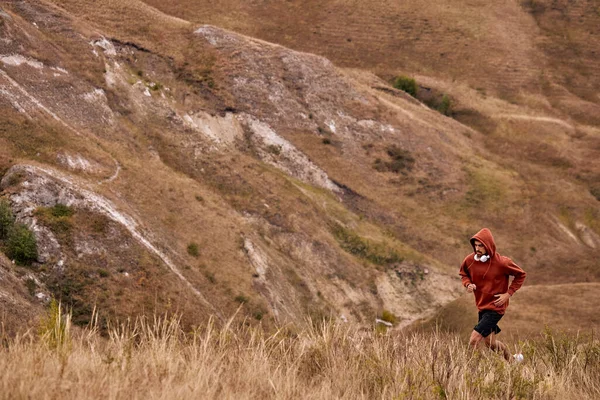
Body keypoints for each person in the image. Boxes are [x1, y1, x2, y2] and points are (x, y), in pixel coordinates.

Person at [459, 228, 526, 361]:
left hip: (496, 307)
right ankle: (513, 361)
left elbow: (521, 275)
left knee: (474, 341)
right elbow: (463, 274)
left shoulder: (502, 262)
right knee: (490, 343)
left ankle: (478, 371)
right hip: (482, 306)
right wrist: (468, 284)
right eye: (475, 245)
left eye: (481, 246)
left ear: (488, 245)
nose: (477, 249)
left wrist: (508, 294)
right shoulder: (470, 260)